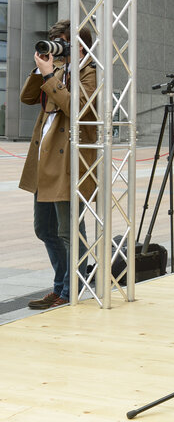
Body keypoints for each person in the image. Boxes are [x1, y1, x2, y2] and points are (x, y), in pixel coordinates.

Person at [20, 19, 97, 309]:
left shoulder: (89, 73)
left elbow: (78, 108)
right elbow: (27, 97)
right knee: (45, 229)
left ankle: (70, 289)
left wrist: (50, 75)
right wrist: (40, 69)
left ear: (80, 46)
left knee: (69, 231)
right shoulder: (57, 72)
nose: (59, 48)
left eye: (63, 43)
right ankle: (61, 285)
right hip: (43, 162)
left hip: (69, 164)